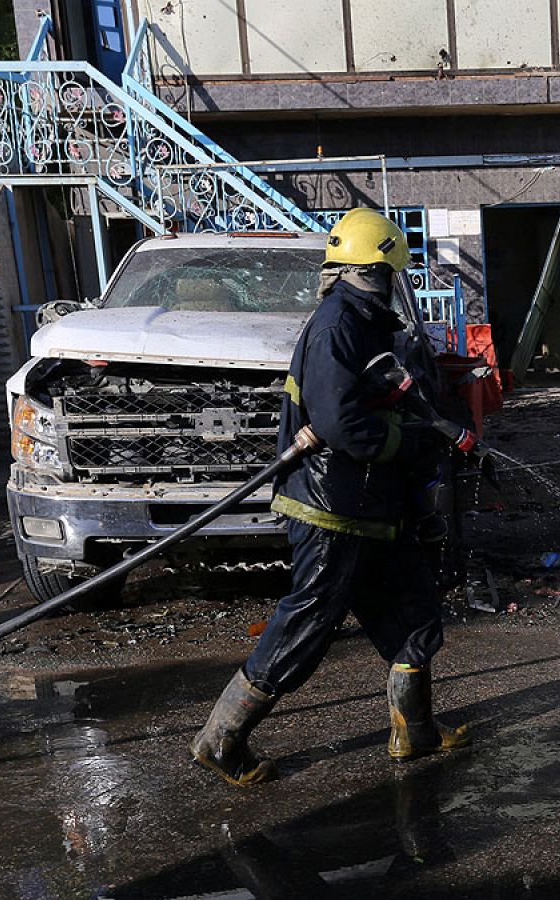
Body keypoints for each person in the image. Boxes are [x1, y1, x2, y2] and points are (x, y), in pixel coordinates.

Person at [191, 209, 469, 786]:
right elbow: (341, 424)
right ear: (376, 267)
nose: (399, 283)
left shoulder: (364, 322)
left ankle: (413, 728)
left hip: (369, 507)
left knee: (415, 612)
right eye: (395, 271)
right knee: (309, 623)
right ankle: (221, 738)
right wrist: (404, 440)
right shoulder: (338, 324)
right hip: (332, 506)